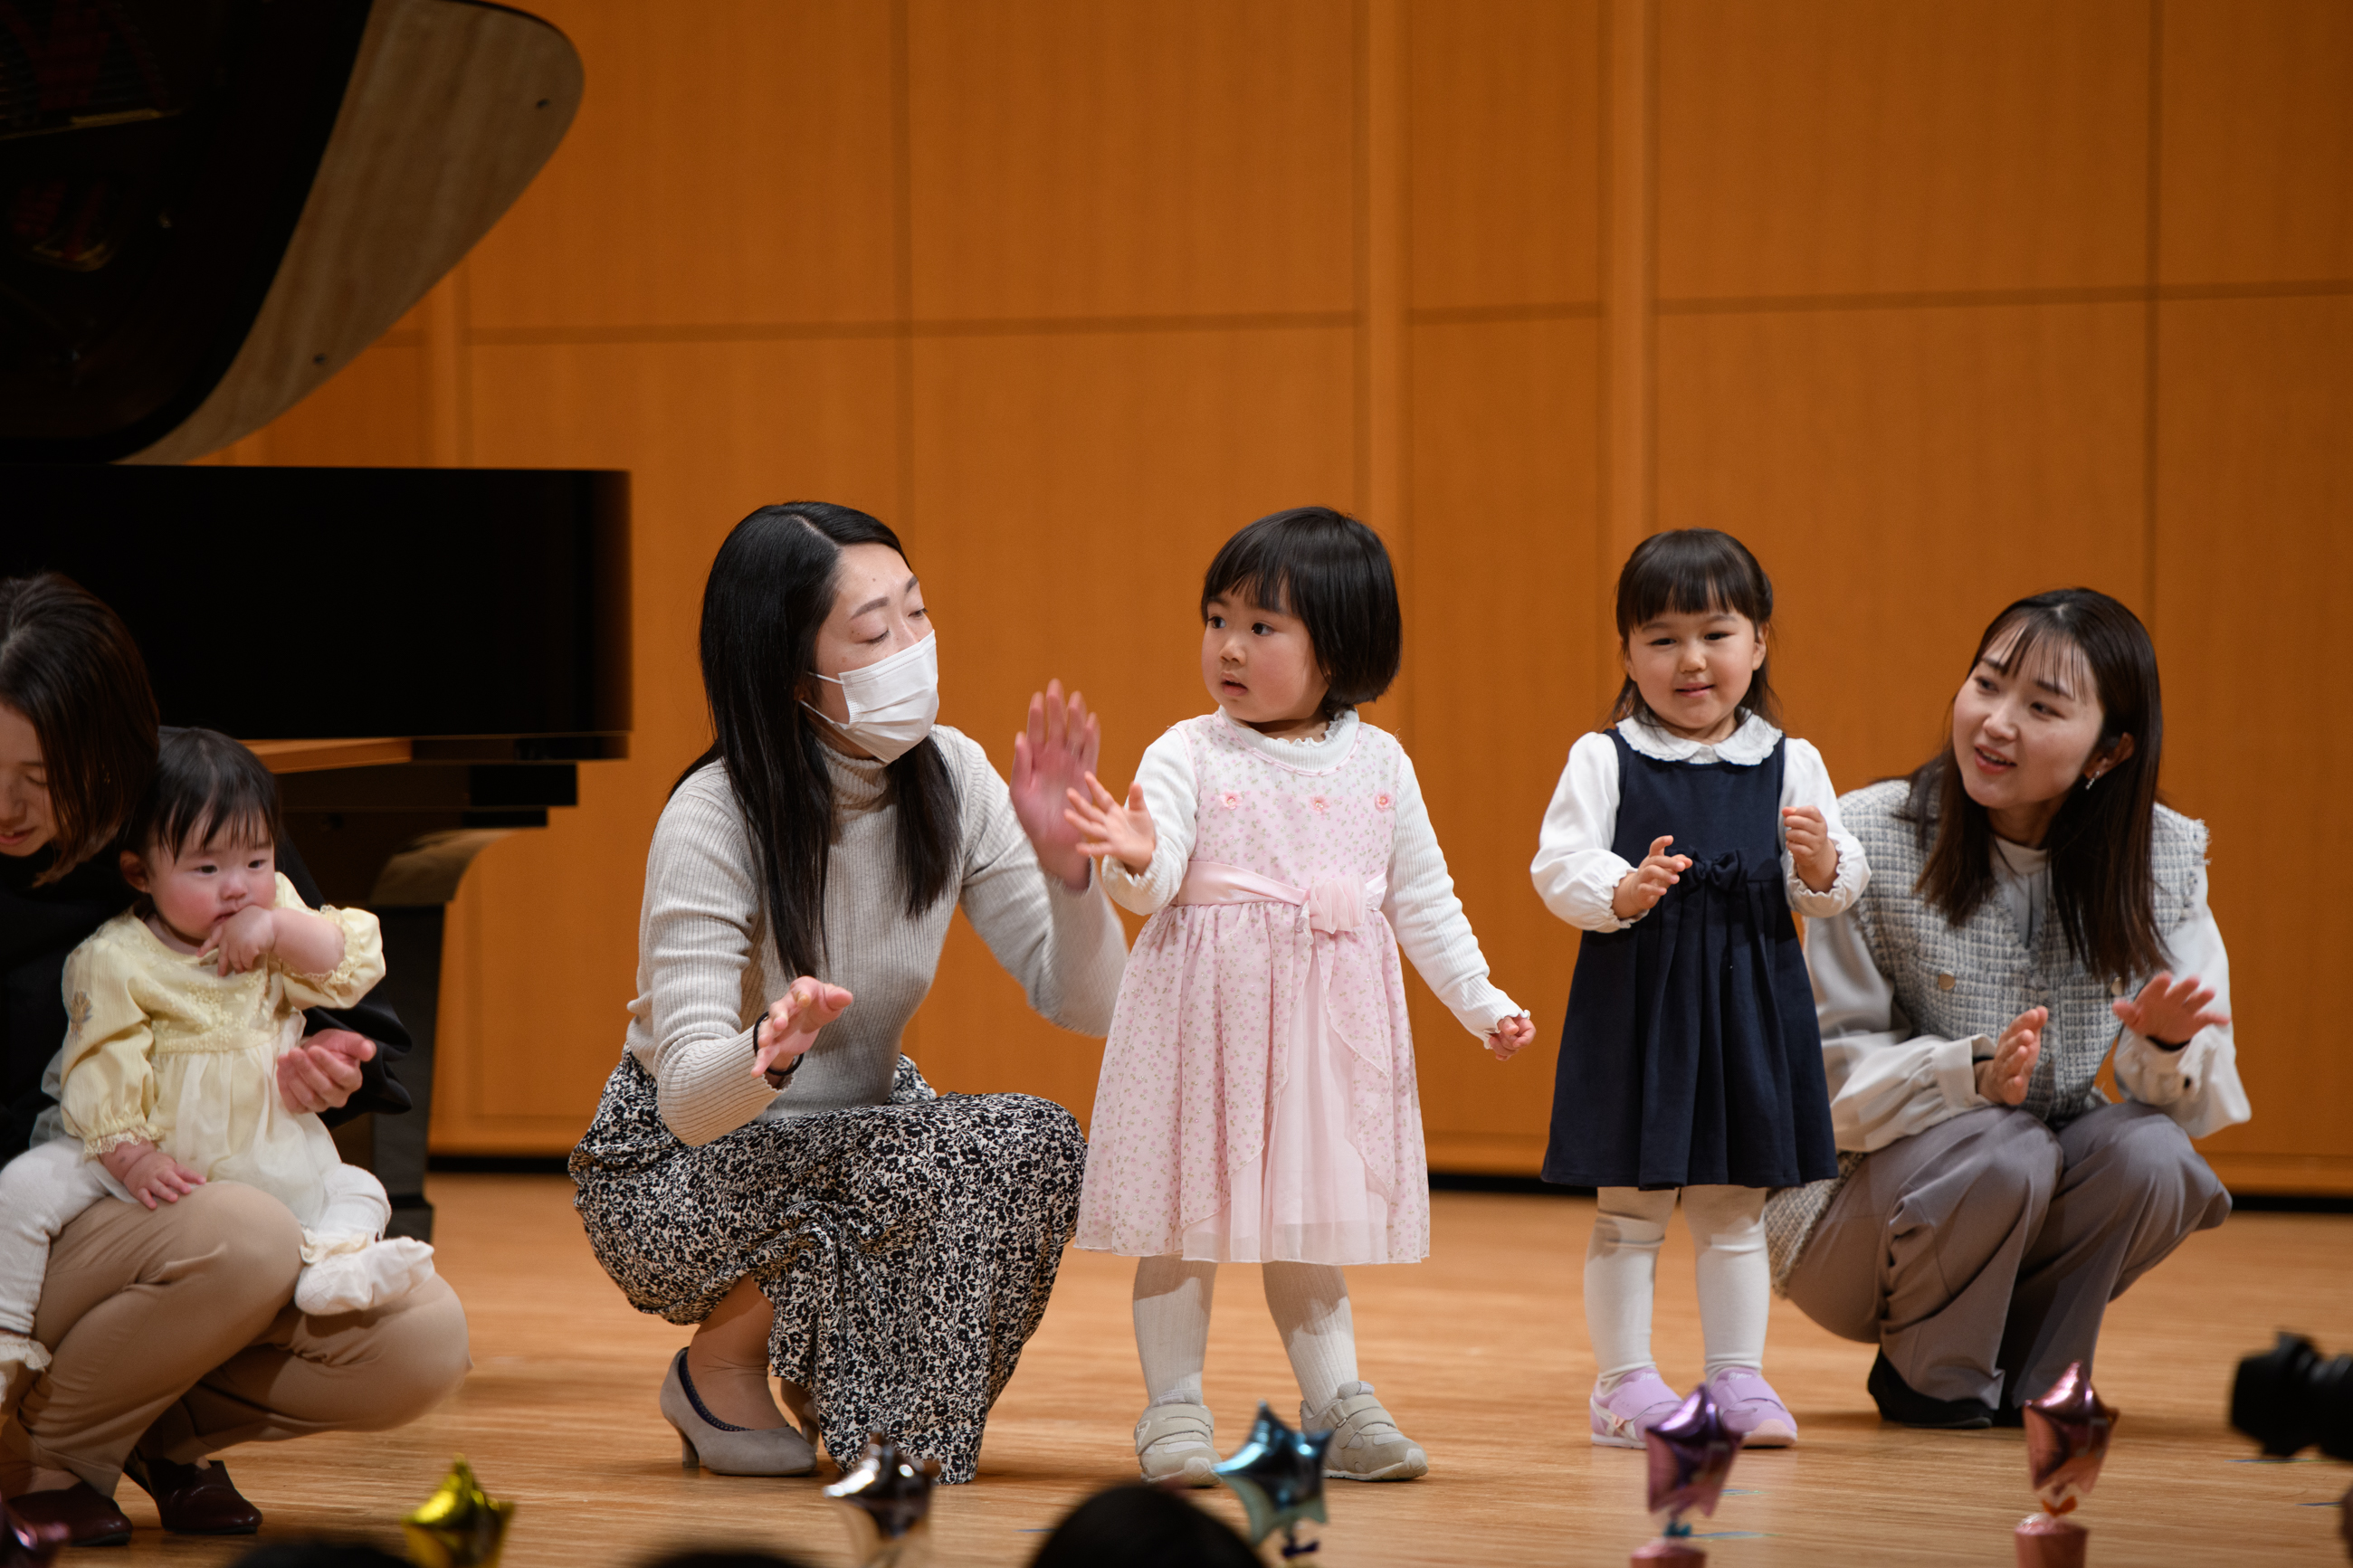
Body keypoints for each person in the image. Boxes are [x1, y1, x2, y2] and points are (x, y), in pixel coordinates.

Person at [569, 503, 1127, 1486]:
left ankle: (854, 1391)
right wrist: (768, 1048)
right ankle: (716, 1367)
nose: (911, 647)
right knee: (916, 1162)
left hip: (858, 1130)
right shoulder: (714, 814)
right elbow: (687, 1100)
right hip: (678, 1169)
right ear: (791, 672)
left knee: (1035, 1146)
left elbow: (1088, 1002)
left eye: (917, 612)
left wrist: (1068, 873)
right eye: (873, 633)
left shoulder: (953, 774)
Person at [1067, 507, 1535, 1487]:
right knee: (1183, 1221)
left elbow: (1423, 900)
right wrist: (1137, 857)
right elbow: (1150, 884)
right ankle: (1173, 1409)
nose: (1229, 647)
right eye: (1217, 620)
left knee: (1306, 1217)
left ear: (1341, 646)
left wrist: (1481, 999)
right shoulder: (1187, 751)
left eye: (1261, 626)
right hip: (1205, 1029)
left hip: (1322, 1036)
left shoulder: (1381, 763)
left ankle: (1337, 1402)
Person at [0, 574, 468, 1546]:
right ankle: (53, 1456)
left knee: (422, 1339)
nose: (8, 803)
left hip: (202, 1206)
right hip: (39, 1217)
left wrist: (334, 1061)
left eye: (42, 774)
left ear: (111, 747)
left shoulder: (202, 809)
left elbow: (345, 1002)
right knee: (245, 1235)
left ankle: (143, 1420)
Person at [1765, 588, 2244, 1428]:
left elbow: (2195, 1104)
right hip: (1847, 1210)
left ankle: (2042, 1377)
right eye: (1986, 684)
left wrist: (2167, 1048)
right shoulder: (1864, 840)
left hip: (2025, 1181)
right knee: (2005, 1147)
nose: (1995, 722)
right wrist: (1970, 1077)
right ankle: (1931, 1379)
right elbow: (1824, 1084)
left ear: (2110, 751)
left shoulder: (2160, 856)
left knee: (2153, 1154)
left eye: (2042, 707)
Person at [1530, 529, 1866, 1450]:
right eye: (1662, 638)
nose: (1690, 660)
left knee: (1732, 1205)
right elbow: (1557, 863)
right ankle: (1622, 1384)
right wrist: (1620, 888)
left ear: (1757, 643)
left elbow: (1830, 887)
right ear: (1627, 654)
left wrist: (1822, 862)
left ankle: (1737, 1377)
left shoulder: (1789, 760)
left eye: (1715, 634)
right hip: (1637, 1006)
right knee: (1630, 1207)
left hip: (1748, 1002)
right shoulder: (1604, 757)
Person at [0, 727, 436, 1402]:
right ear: (139, 873)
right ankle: (9, 1330)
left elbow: (348, 957)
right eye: (206, 870)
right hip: (150, 1152)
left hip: (257, 1144)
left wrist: (281, 931)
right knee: (24, 1189)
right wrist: (132, 1157)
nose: (237, 888)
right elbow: (101, 1067)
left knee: (359, 1190)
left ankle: (332, 1268)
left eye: (256, 861)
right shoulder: (118, 957)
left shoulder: (272, 916)